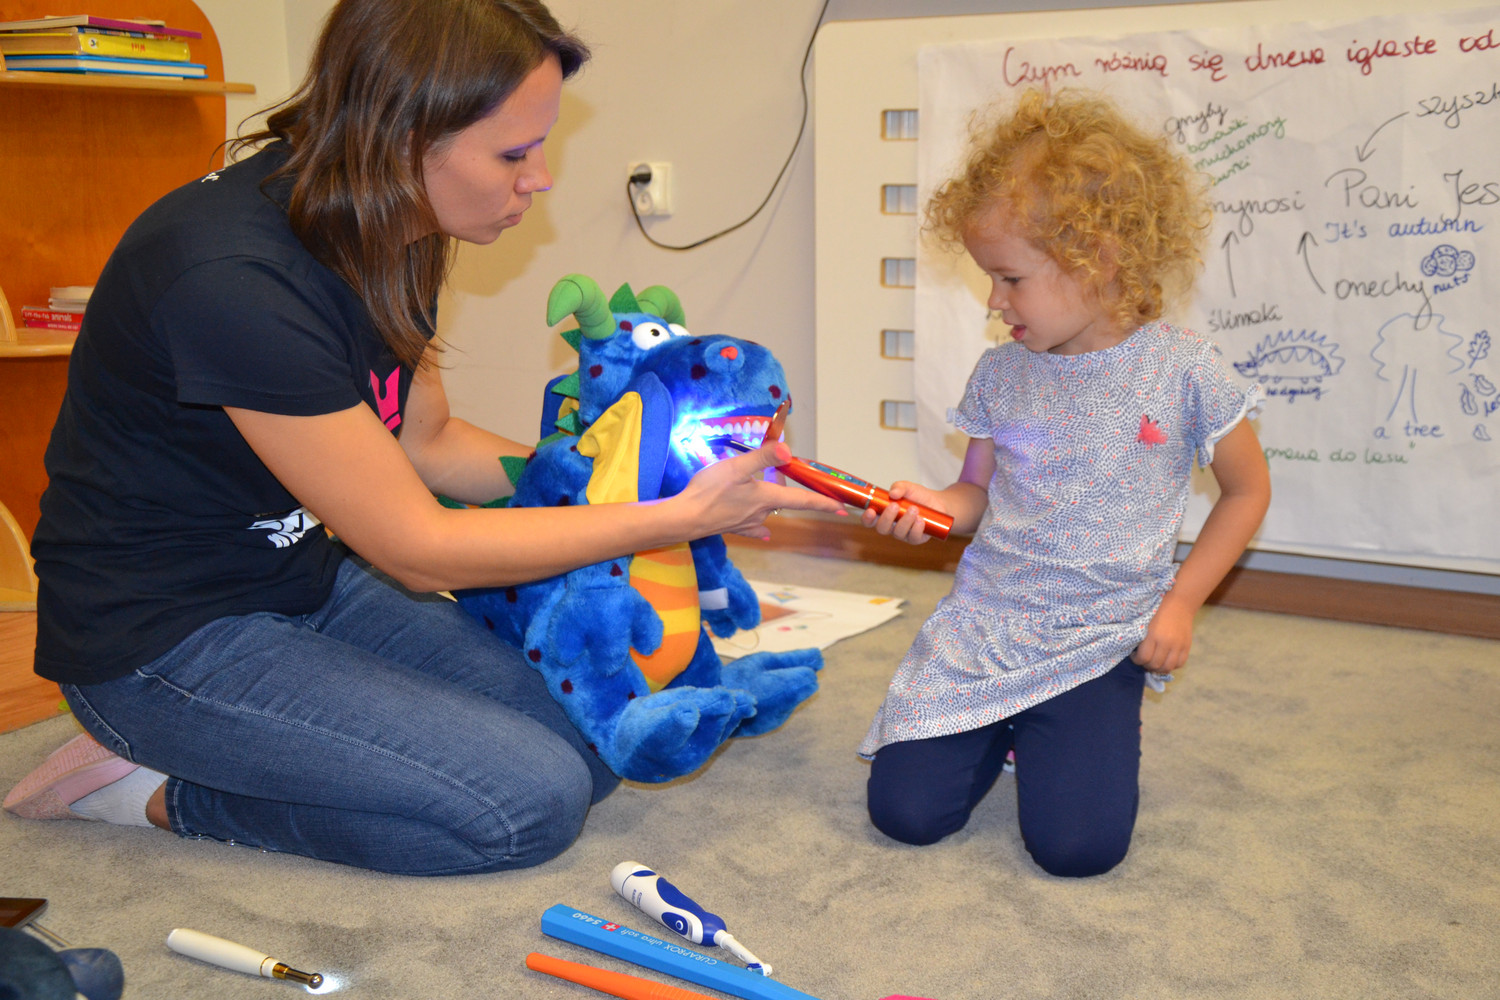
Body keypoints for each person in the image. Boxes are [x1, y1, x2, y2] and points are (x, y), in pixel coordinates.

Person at [2, 0, 841, 876]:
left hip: (303, 583)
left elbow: (428, 444)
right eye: (513, 154)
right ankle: (148, 790)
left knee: (588, 742)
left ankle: (259, 747)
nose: (540, 179)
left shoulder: (390, 225)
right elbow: (418, 550)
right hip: (158, 644)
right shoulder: (233, 281)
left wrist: (629, 477)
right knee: (528, 806)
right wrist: (674, 518)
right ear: (404, 140)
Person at [857, 88, 1271, 877]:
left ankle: (1051, 731)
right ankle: (1005, 725)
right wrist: (935, 507)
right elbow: (974, 495)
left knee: (1078, 851)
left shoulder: (1185, 372)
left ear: (1098, 259)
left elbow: (1248, 493)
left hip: (1099, 636)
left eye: (1009, 278)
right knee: (905, 814)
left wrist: (1180, 603)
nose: (993, 301)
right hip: (988, 623)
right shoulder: (1000, 374)